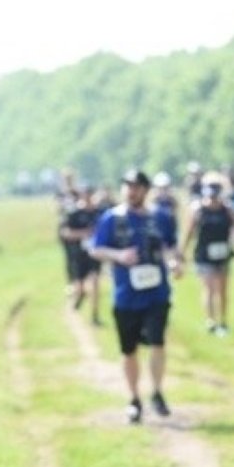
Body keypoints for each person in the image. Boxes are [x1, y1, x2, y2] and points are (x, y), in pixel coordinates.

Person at [91, 169, 183, 424]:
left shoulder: (160, 217)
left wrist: (176, 262)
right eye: (127, 186)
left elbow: (171, 246)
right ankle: (134, 398)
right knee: (128, 350)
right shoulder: (112, 218)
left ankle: (157, 392)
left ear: (146, 190)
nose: (131, 191)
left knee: (157, 343)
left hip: (156, 293)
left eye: (137, 187)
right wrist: (119, 256)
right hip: (126, 295)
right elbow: (96, 249)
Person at [180, 172, 234, 336]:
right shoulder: (198, 209)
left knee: (223, 290)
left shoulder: (227, 209)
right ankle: (211, 321)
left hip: (223, 254)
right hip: (204, 255)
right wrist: (182, 251)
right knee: (209, 288)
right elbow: (188, 232)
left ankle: (223, 321)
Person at [59, 183, 104, 325]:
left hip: (95, 253)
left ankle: (95, 316)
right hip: (79, 254)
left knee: (96, 282)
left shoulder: (99, 213)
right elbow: (65, 233)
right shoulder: (74, 213)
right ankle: (80, 295)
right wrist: (83, 233)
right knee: (79, 285)